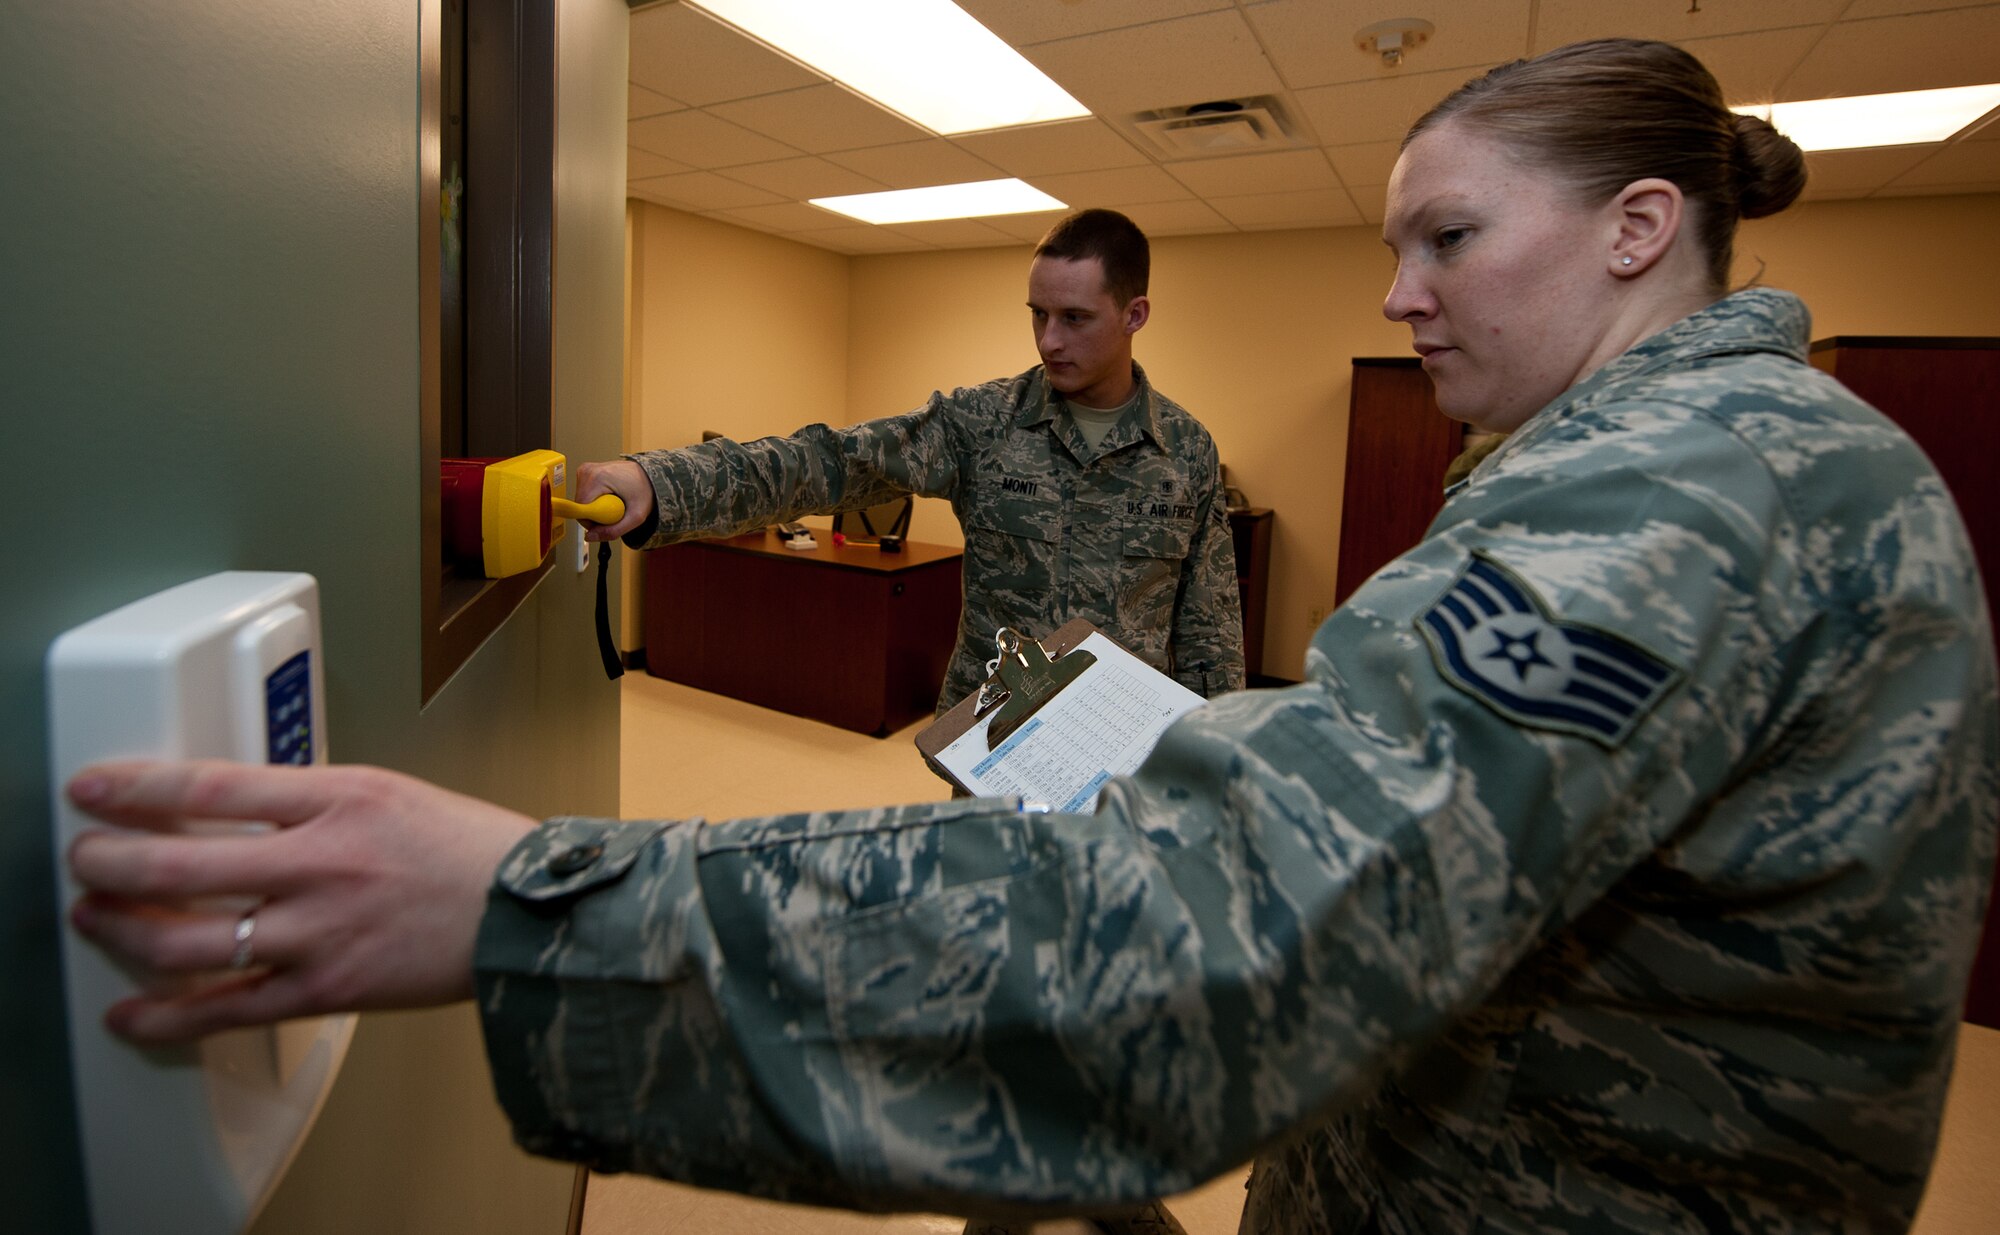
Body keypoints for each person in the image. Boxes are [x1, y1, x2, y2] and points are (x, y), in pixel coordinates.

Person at [62, 38, 1998, 1235]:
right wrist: (656, 482)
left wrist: (532, 900)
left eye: (1448, 240)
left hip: (1398, 1048)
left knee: (1095, 1006)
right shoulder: (1648, 454)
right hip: (1071, 806)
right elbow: (839, 446)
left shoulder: (1677, 489)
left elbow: (1254, 893)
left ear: (1641, 227)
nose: (1398, 293)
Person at [577, 207, 1245, 716]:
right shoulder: (981, 424)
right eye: (1037, 314)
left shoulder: (1186, 451)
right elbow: (828, 461)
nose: (1049, 339)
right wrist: (660, 483)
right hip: (996, 745)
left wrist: (1216, 759)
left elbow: (1210, 630)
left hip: (1126, 750)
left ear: (1135, 315)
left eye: (1074, 317)